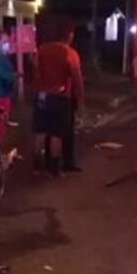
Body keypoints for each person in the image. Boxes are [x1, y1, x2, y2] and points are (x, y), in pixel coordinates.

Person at [33, 19, 85, 173]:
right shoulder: (69, 53)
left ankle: (37, 166)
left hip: (42, 96)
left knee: (40, 131)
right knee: (56, 133)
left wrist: (38, 90)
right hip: (60, 97)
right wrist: (81, 102)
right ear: (69, 35)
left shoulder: (42, 49)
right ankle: (54, 169)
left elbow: (36, 71)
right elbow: (77, 79)